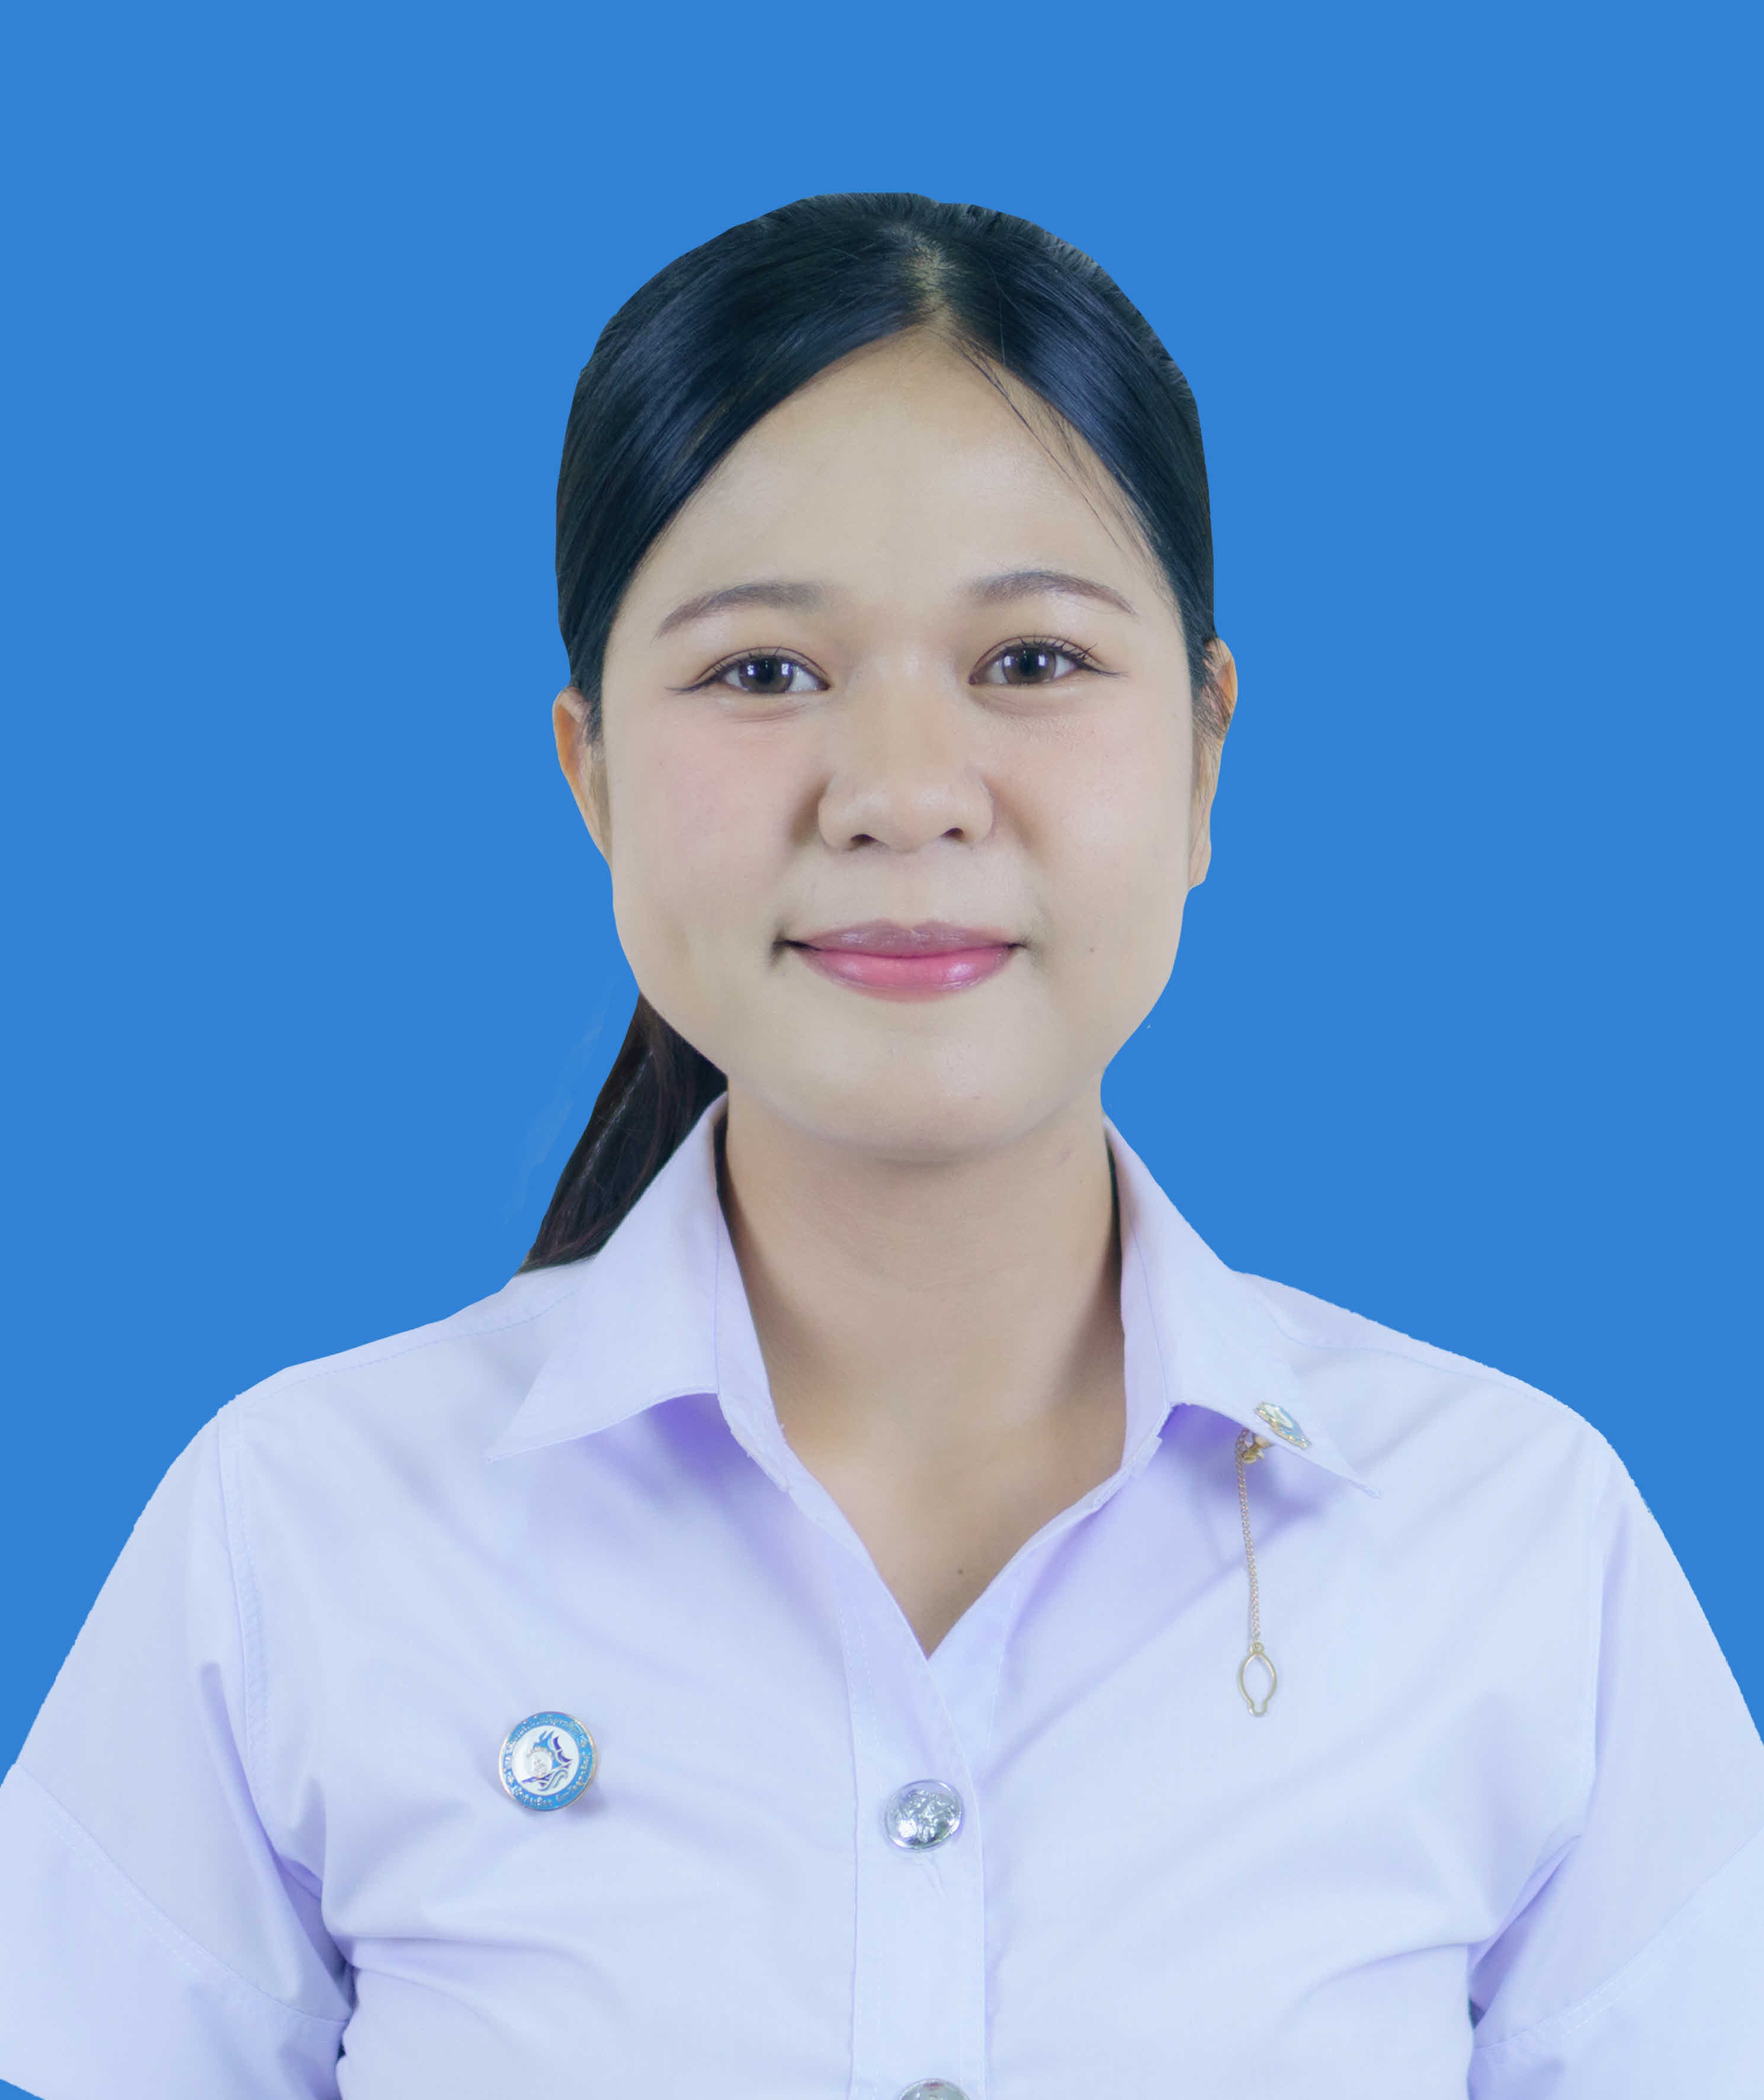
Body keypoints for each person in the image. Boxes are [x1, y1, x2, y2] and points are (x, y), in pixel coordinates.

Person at [1, 191, 1759, 2100]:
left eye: (1031, 662)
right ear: (591, 771)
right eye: (764, 672)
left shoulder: (1514, 1545)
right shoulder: (298, 1532)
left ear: (1203, 751)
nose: (904, 796)